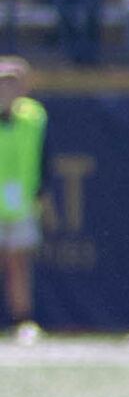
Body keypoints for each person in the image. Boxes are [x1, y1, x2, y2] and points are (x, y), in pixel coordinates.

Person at [0, 56, 43, 338]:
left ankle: (22, 320)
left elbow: (43, 155)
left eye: (12, 83)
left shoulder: (34, 117)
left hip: (20, 201)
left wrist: (39, 193)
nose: (6, 89)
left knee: (18, 263)